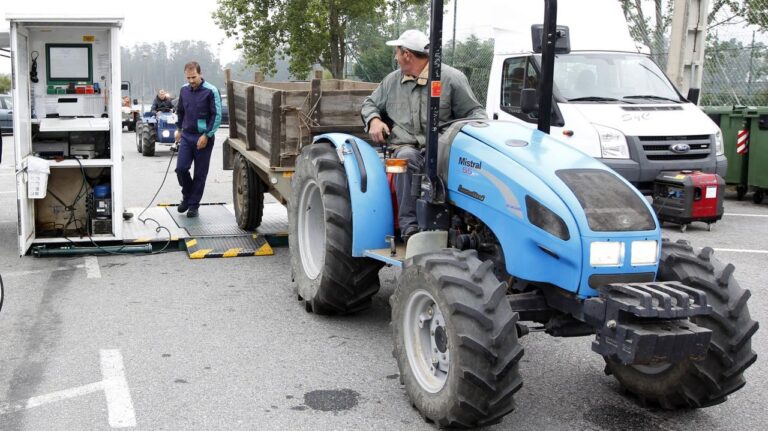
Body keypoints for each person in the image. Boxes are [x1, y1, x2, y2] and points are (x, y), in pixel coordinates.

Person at [360, 29, 487, 240]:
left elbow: (476, 114)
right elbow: (369, 103)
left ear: (407, 54)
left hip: (442, 148)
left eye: (397, 52)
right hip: (406, 147)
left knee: (456, 163)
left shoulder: (452, 79)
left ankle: (460, 227)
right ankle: (410, 228)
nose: (395, 57)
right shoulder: (392, 81)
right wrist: (374, 119)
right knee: (405, 159)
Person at [173, 61, 223, 218]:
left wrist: (207, 135)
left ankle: (194, 205)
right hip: (187, 136)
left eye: (193, 77)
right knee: (181, 169)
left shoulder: (211, 91)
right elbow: (180, 111)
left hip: (203, 137)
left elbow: (217, 115)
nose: (191, 81)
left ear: (200, 74)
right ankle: (187, 197)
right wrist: (179, 129)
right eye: (188, 77)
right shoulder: (184, 90)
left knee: (200, 174)